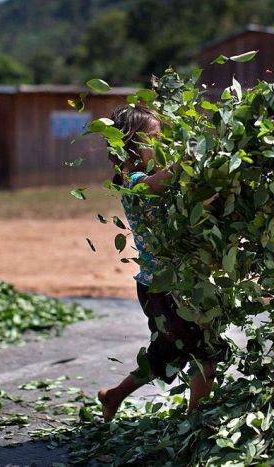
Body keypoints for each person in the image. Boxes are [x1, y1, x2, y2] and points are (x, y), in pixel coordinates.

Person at [98, 104, 227, 421]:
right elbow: (157, 184)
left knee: (165, 354)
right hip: (166, 290)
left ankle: (113, 396)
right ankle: (196, 425)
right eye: (155, 138)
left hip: (178, 284)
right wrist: (188, 158)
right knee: (204, 352)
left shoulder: (164, 179)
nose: (163, 143)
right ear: (130, 146)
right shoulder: (133, 183)